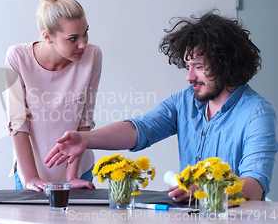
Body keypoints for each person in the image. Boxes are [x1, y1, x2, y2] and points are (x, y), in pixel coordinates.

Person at [44, 11, 278, 201]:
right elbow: (141, 129)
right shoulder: (185, 101)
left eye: (197, 66)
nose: (189, 76)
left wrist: (206, 191)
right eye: (187, 66)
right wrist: (86, 140)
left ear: (226, 64)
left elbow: (255, 187)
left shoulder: (257, 113)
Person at [6, 0, 102, 192]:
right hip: (30, 173)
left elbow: (84, 120)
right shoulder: (18, 57)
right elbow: (18, 123)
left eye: (85, 32)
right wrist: (30, 178)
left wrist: (72, 176)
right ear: (47, 37)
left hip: (78, 168)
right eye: (72, 38)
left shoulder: (92, 55)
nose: (83, 44)